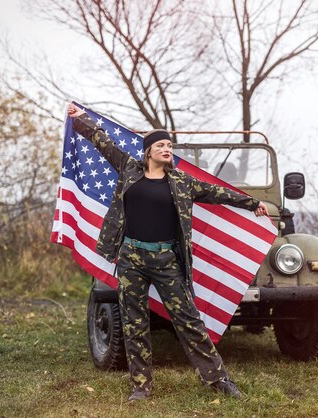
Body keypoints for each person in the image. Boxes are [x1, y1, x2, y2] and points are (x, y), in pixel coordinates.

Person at [67, 103, 269, 401]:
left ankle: (218, 379)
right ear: (148, 151)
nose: (167, 149)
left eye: (169, 145)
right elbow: (102, 141)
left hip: (165, 259)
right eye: (161, 144)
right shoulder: (129, 169)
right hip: (131, 259)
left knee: (189, 321)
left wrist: (251, 203)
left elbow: (216, 193)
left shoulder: (181, 182)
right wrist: (80, 119)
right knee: (134, 322)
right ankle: (140, 386)